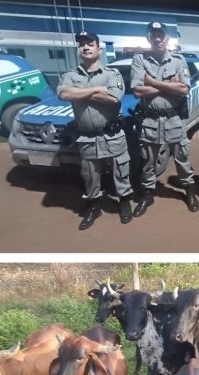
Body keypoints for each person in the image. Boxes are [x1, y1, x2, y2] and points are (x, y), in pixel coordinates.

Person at [57, 31, 133, 230]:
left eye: (90, 43)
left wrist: (79, 93)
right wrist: (97, 89)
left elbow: (113, 99)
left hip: (112, 134)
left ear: (99, 49)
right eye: (82, 44)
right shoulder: (69, 75)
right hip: (86, 137)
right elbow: (64, 95)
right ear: (78, 49)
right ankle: (94, 207)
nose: (86, 46)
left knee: (121, 172)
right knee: (90, 175)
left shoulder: (112, 74)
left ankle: (124, 203)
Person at [130, 21, 199, 216]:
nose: (158, 38)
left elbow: (184, 89)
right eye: (154, 35)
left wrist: (151, 82)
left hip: (174, 120)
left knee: (182, 159)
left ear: (167, 38)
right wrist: (169, 84)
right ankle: (147, 194)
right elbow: (137, 91)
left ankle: (189, 190)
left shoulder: (178, 60)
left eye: (161, 35)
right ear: (148, 38)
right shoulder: (139, 60)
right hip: (150, 122)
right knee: (148, 162)